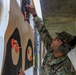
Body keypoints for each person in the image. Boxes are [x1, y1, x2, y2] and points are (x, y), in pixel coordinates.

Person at [19, 4, 76, 75]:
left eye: (58, 39)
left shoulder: (65, 71)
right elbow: (43, 32)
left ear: (63, 48)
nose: (54, 39)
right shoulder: (52, 50)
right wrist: (34, 14)